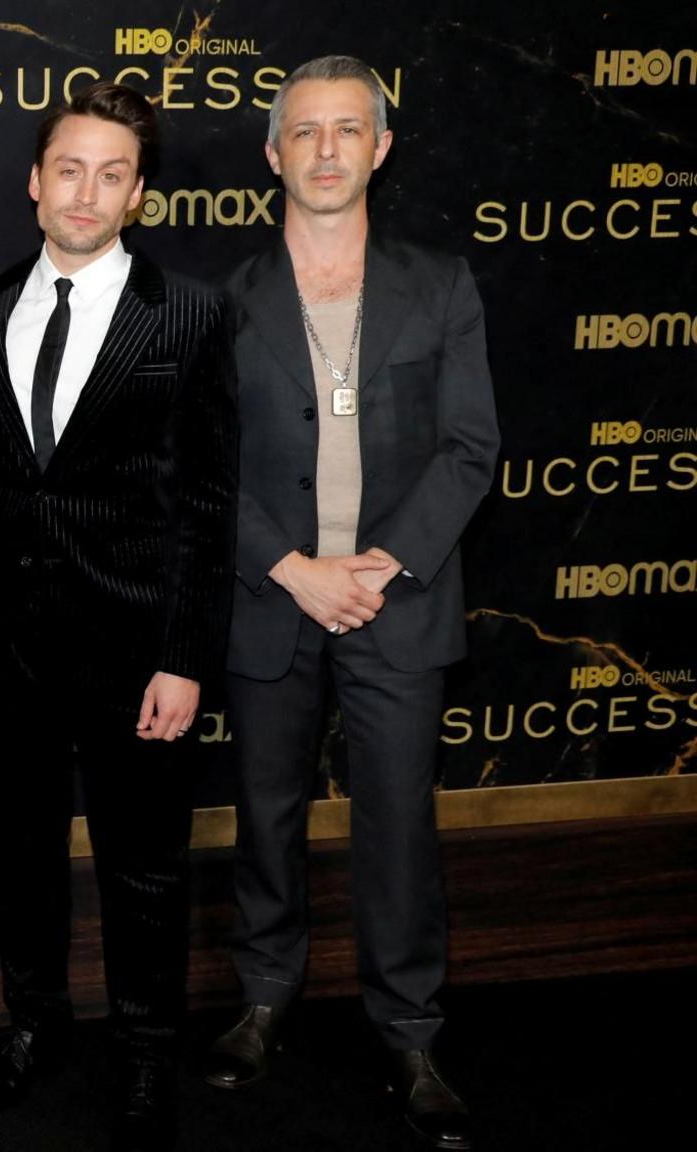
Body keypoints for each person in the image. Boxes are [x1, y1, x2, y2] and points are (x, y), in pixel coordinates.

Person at [206, 55, 497, 1152]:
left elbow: (470, 449)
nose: (324, 151)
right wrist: (292, 569)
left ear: (378, 149)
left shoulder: (438, 283)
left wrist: (381, 564)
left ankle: (409, 1031)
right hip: (272, 598)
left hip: (395, 601)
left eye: (346, 131)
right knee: (265, 818)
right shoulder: (223, 302)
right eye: (303, 132)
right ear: (272, 153)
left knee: (397, 827)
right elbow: (206, 469)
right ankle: (263, 997)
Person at [0, 82, 238, 1152]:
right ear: (35, 182)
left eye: (110, 173)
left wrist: (182, 658)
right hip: (9, 649)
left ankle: (141, 1057)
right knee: (17, 856)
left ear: (135, 195)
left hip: (135, 652)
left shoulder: (190, 314)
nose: (85, 191)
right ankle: (32, 1027)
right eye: (67, 168)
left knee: (143, 867)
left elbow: (208, 506)